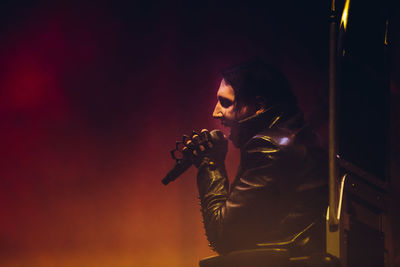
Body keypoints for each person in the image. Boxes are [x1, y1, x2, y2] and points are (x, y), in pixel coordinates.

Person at [183, 60, 328, 257]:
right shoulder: (301, 138)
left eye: (225, 102)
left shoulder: (268, 147)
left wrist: (210, 163)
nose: (215, 112)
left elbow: (223, 235)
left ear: (259, 105)